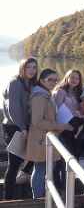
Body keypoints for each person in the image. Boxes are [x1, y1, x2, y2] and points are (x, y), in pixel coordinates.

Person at [26, 68, 73, 199]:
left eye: (56, 80)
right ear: (42, 80)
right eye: (50, 80)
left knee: (43, 169)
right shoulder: (40, 96)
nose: (53, 82)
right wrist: (60, 126)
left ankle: (41, 197)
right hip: (40, 139)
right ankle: (39, 199)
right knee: (40, 169)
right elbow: (37, 121)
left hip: (45, 138)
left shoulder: (46, 93)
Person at [2, 58, 37, 199]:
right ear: (22, 68)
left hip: (26, 127)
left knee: (36, 154)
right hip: (14, 127)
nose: (32, 70)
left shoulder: (31, 83)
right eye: (28, 67)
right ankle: (8, 198)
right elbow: (13, 109)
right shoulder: (15, 83)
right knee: (14, 164)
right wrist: (23, 129)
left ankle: (24, 174)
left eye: (34, 67)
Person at [52, 69, 84, 190]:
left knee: (70, 157)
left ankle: (66, 186)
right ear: (66, 77)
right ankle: (60, 187)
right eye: (72, 77)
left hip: (73, 130)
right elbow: (56, 109)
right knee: (64, 158)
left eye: (77, 78)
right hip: (63, 129)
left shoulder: (76, 93)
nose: (74, 80)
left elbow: (79, 110)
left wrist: (79, 114)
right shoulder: (60, 92)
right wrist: (74, 114)